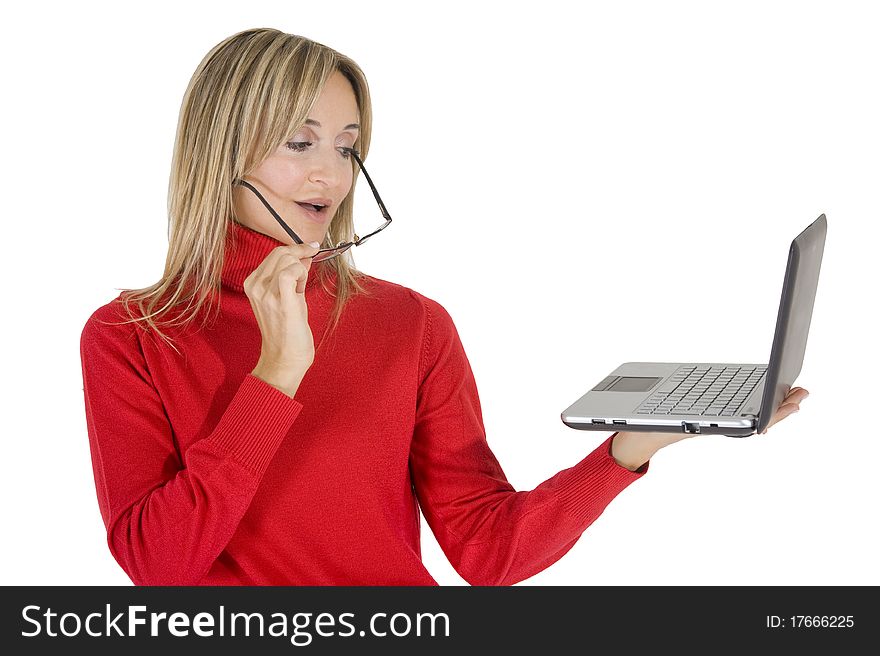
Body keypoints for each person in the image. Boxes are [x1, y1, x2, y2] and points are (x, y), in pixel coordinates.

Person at [79, 27, 809, 586]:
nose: (329, 173)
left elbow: (487, 549)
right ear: (220, 153)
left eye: (347, 145)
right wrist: (274, 378)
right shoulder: (130, 337)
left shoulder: (412, 324)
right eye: (300, 142)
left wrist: (631, 448)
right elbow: (158, 566)